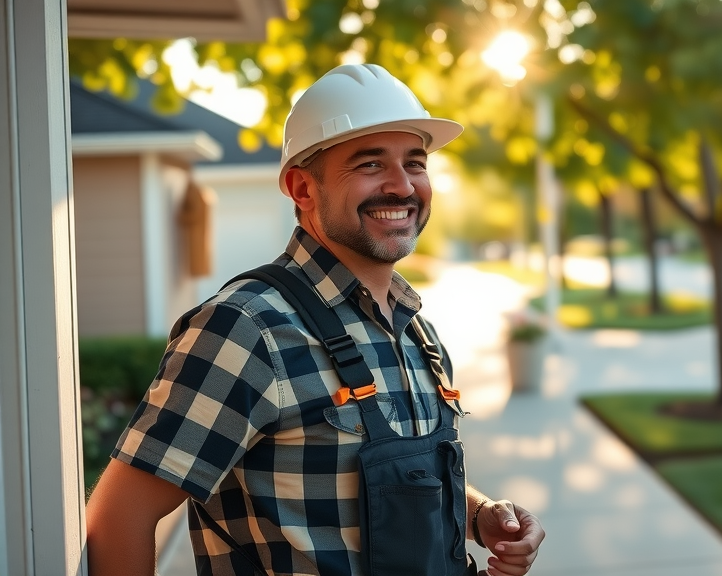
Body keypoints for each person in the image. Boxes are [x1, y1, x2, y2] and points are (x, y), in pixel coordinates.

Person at [86, 63, 545, 576]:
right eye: (370, 164)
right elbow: (119, 516)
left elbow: (399, 481)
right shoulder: (247, 329)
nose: (401, 186)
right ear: (303, 189)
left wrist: (480, 514)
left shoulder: (415, 332)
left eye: (414, 163)